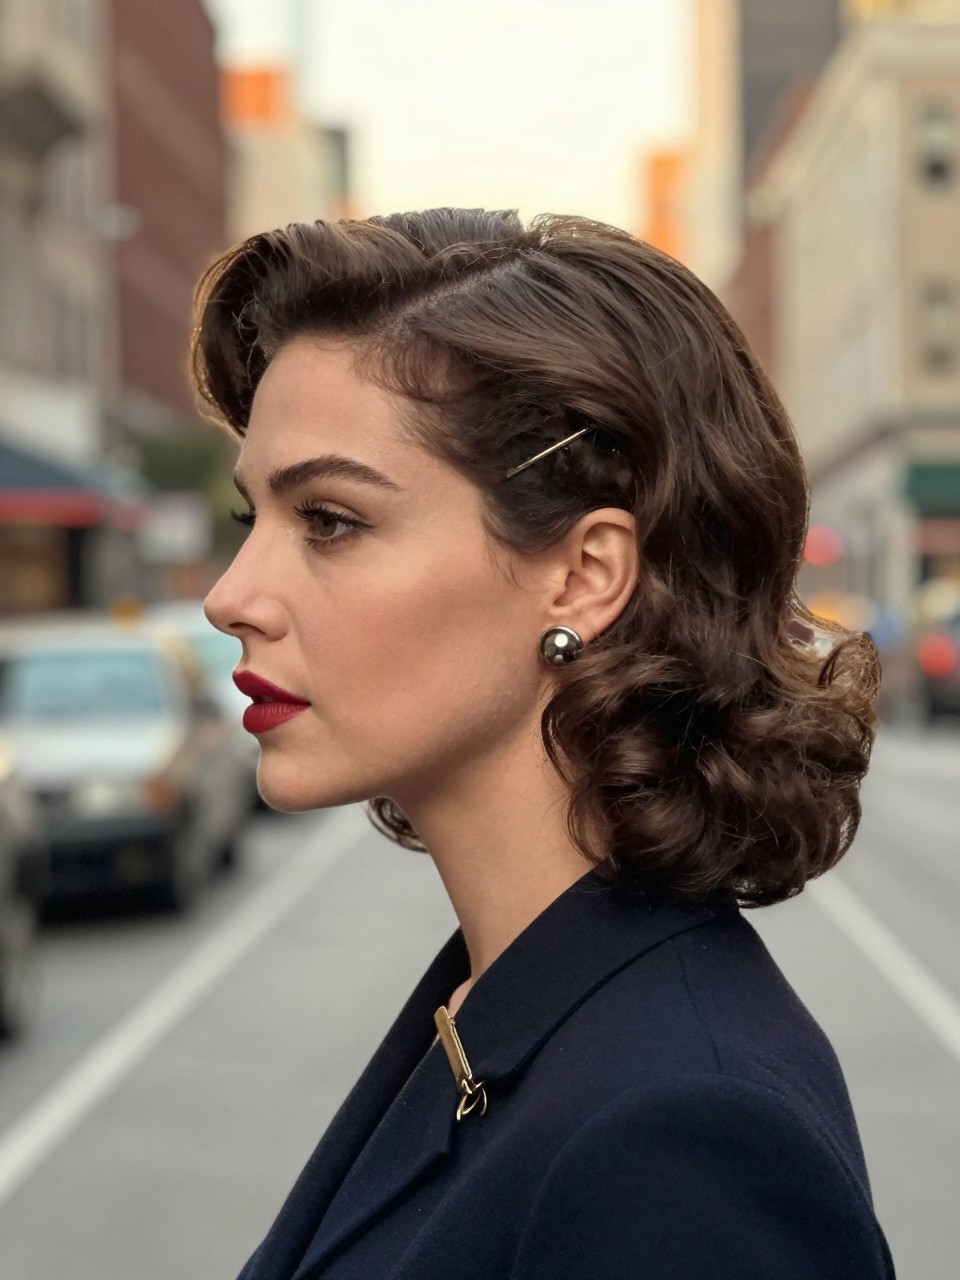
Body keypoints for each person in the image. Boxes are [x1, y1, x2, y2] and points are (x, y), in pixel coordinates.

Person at [197, 209, 896, 1279]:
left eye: (330, 520)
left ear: (583, 575)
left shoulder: (680, 1141)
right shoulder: (505, 993)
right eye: (254, 519)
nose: (230, 596)